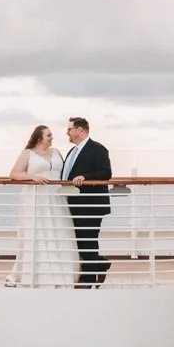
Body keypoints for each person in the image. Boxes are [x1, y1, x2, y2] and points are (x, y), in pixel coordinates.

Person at [7, 125, 77, 287]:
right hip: (36, 198)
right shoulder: (28, 153)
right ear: (39, 138)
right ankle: (39, 275)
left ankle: (61, 273)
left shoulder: (57, 152)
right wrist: (32, 176)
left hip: (56, 197)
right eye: (48, 135)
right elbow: (14, 173)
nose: (52, 138)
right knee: (37, 233)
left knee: (59, 231)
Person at [60, 116, 113, 286]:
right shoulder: (72, 151)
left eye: (69, 129)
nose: (67, 132)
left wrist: (85, 177)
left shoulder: (97, 149)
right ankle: (99, 264)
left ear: (80, 130)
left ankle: (89, 278)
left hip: (90, 204)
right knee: (79, 239)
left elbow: (105, 172)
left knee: (88, 239)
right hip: (74, 203)